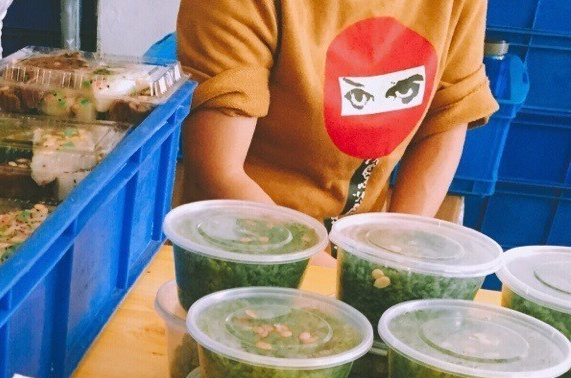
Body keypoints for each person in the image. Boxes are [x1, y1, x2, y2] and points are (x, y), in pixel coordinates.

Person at [177, 0, 497, 230]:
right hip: (240, 238)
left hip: (353, 245)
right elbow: (219, 172)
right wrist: (335, 277)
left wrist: (394, 250)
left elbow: (448, 113)